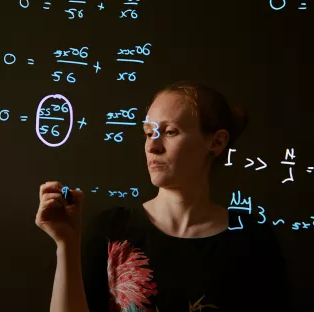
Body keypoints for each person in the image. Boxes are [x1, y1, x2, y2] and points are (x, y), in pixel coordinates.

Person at [36, 81, 291, 312]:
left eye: (170, 132)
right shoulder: (111, 230)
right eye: (148, 133)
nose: (152, 146)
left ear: (216, 142)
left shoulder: (253, 240)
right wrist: (66, 245)